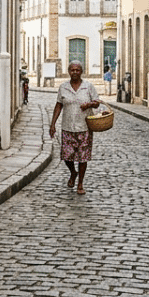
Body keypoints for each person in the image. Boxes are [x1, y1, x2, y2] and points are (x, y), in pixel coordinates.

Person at [49, 60, 101, 196]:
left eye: (77, 70)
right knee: (67, 156)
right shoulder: (63, 87)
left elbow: (97, 103)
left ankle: (80, 183)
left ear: (81, 71)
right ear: (68, 71)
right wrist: (53, 124)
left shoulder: (88, 87)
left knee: (83, 158)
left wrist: (89, 105)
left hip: (85, 127)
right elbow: (59, 105)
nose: (75, 72)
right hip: (67, 127)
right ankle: (73, 172)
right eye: (72, 70)